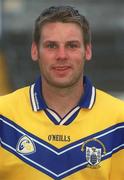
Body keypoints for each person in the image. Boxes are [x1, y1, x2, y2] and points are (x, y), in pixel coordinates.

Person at [0, 6, 124, 180]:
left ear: (87, 51)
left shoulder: (119, 119)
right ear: (35, 51)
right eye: (51, 46)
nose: (61, 55)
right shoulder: (3, 115)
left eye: (72, 45)